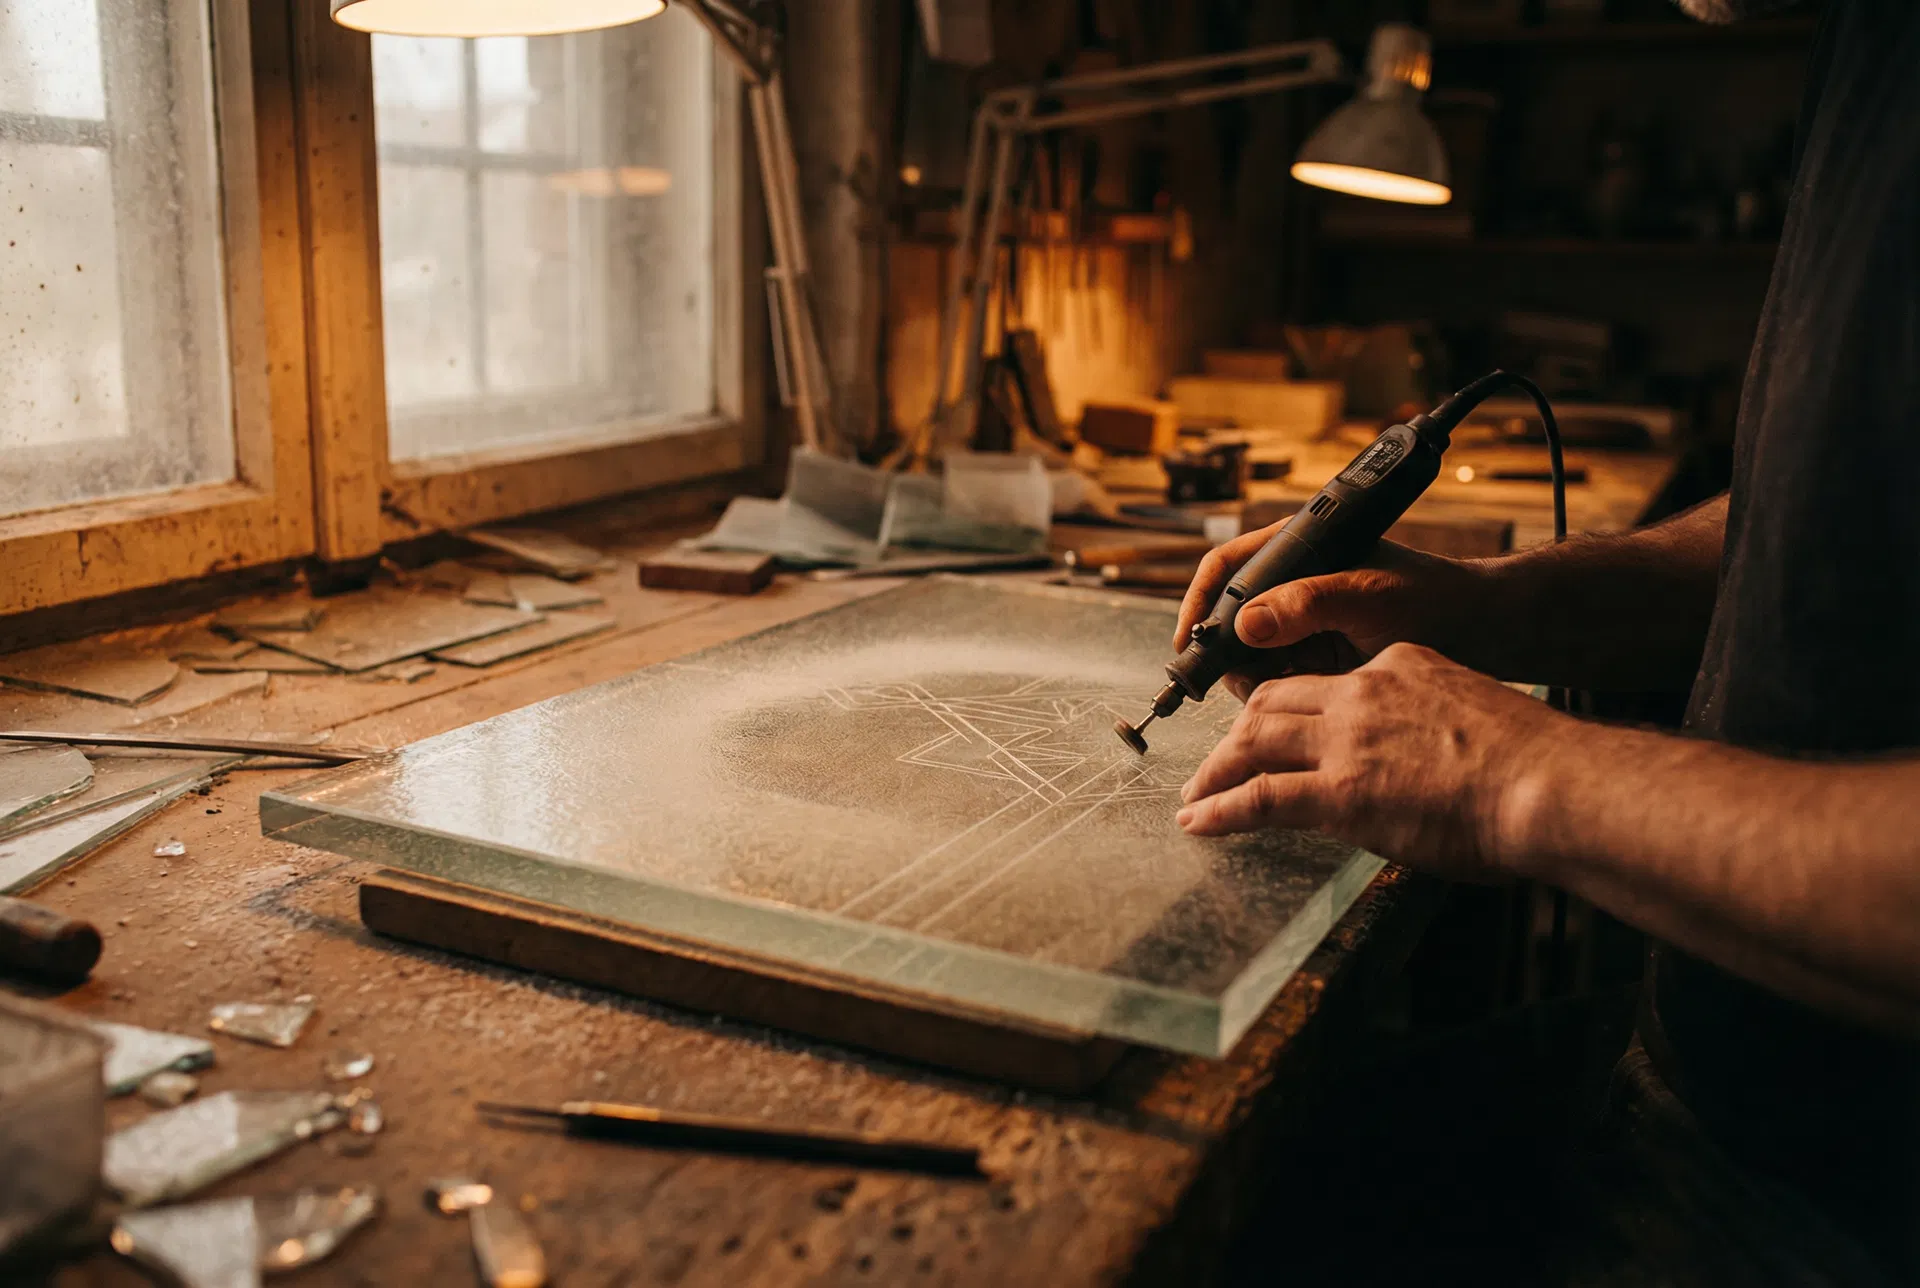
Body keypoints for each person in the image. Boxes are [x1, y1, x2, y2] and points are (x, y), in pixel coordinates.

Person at [1176, 0, 1919, 1278]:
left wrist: (1518, 773)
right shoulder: (1874, 45)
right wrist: (1492, 607)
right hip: (1712, 1071)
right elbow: (1839, 503)